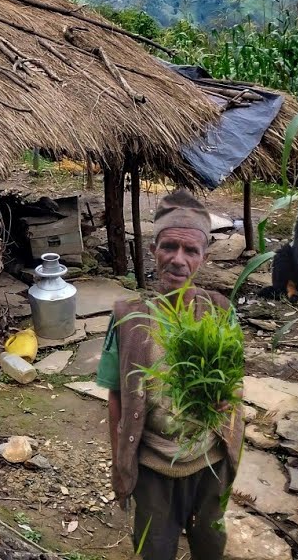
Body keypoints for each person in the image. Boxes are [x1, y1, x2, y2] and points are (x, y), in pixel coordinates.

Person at [95, 189, 245, 560]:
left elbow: (234, 380)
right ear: (153, 250)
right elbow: (116, 396)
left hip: (208, 460)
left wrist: (226, 400)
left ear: (204, 258)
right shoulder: (128, 318)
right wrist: (121, 464)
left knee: (210, 545)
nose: (178, 260)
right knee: (155, 549)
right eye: (169, 247)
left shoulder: (219, 311)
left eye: (190, 251)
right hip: (153, 466)